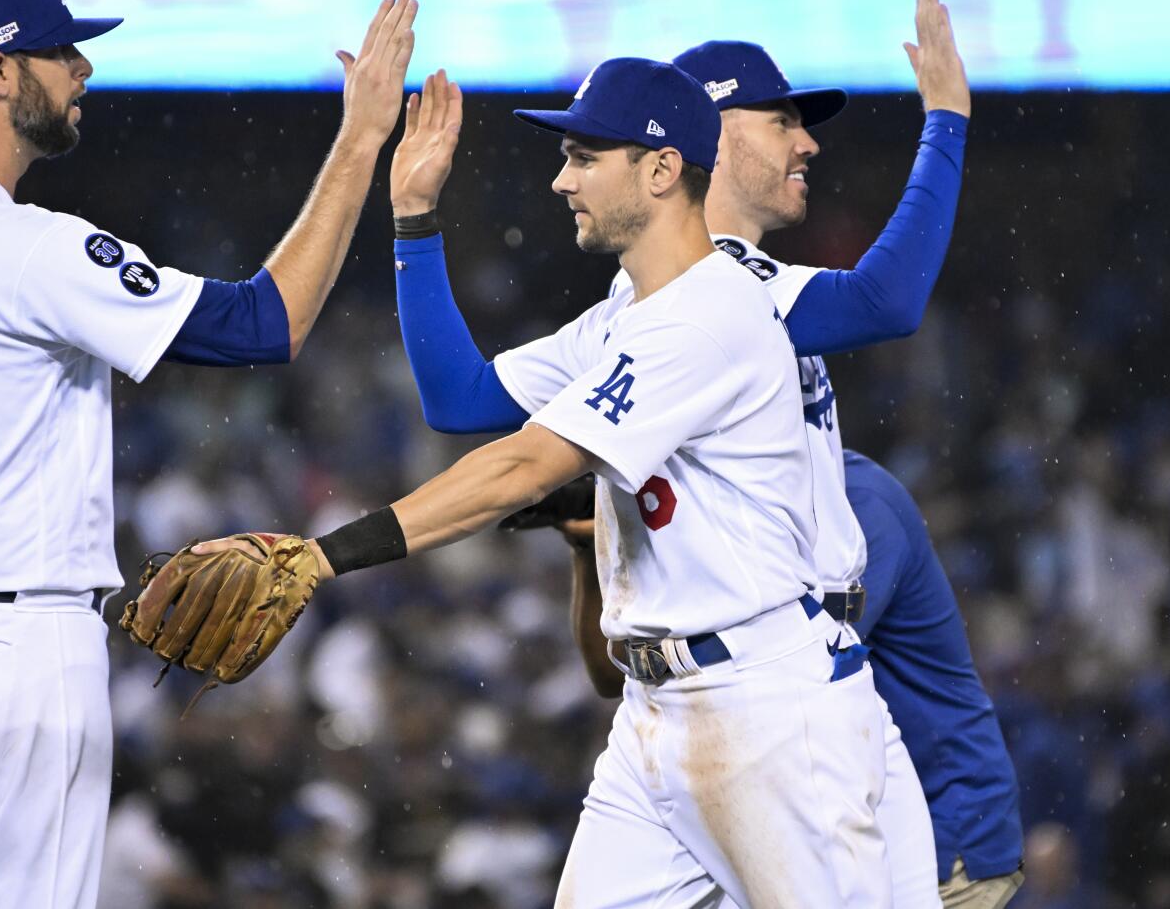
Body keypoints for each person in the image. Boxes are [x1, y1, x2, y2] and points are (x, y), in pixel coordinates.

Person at [0, 0, 418, 908]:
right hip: (14, 648)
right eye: (60, 51)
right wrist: (361, 140)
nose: (82, 70)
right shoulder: (30, 244)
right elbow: (265, 322)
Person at [206, 57, 895, 905]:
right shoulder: (624, 315)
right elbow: (460, 400)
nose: (560, 178)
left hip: (769, 709)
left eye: (583, 156)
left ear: (661, 168)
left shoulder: (713, 312)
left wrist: (322, 555)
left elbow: (523, 465)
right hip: (658, 712)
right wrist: (415, 218)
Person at [391, 0, 996, 906]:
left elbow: (883, 300)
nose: (807, 141)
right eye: (781, 118)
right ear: (708, 134)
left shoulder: (733, 289)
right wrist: (415, 226)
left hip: (801, 685)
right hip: (739, 696)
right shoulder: (661, 308)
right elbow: (462, 397)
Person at [556, 449, 1026, 908]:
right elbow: (611, 677)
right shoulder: (734, 510)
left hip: (943, 820)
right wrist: (588, 545)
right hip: (812, 810)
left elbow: (785, 662)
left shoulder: (856, 500)